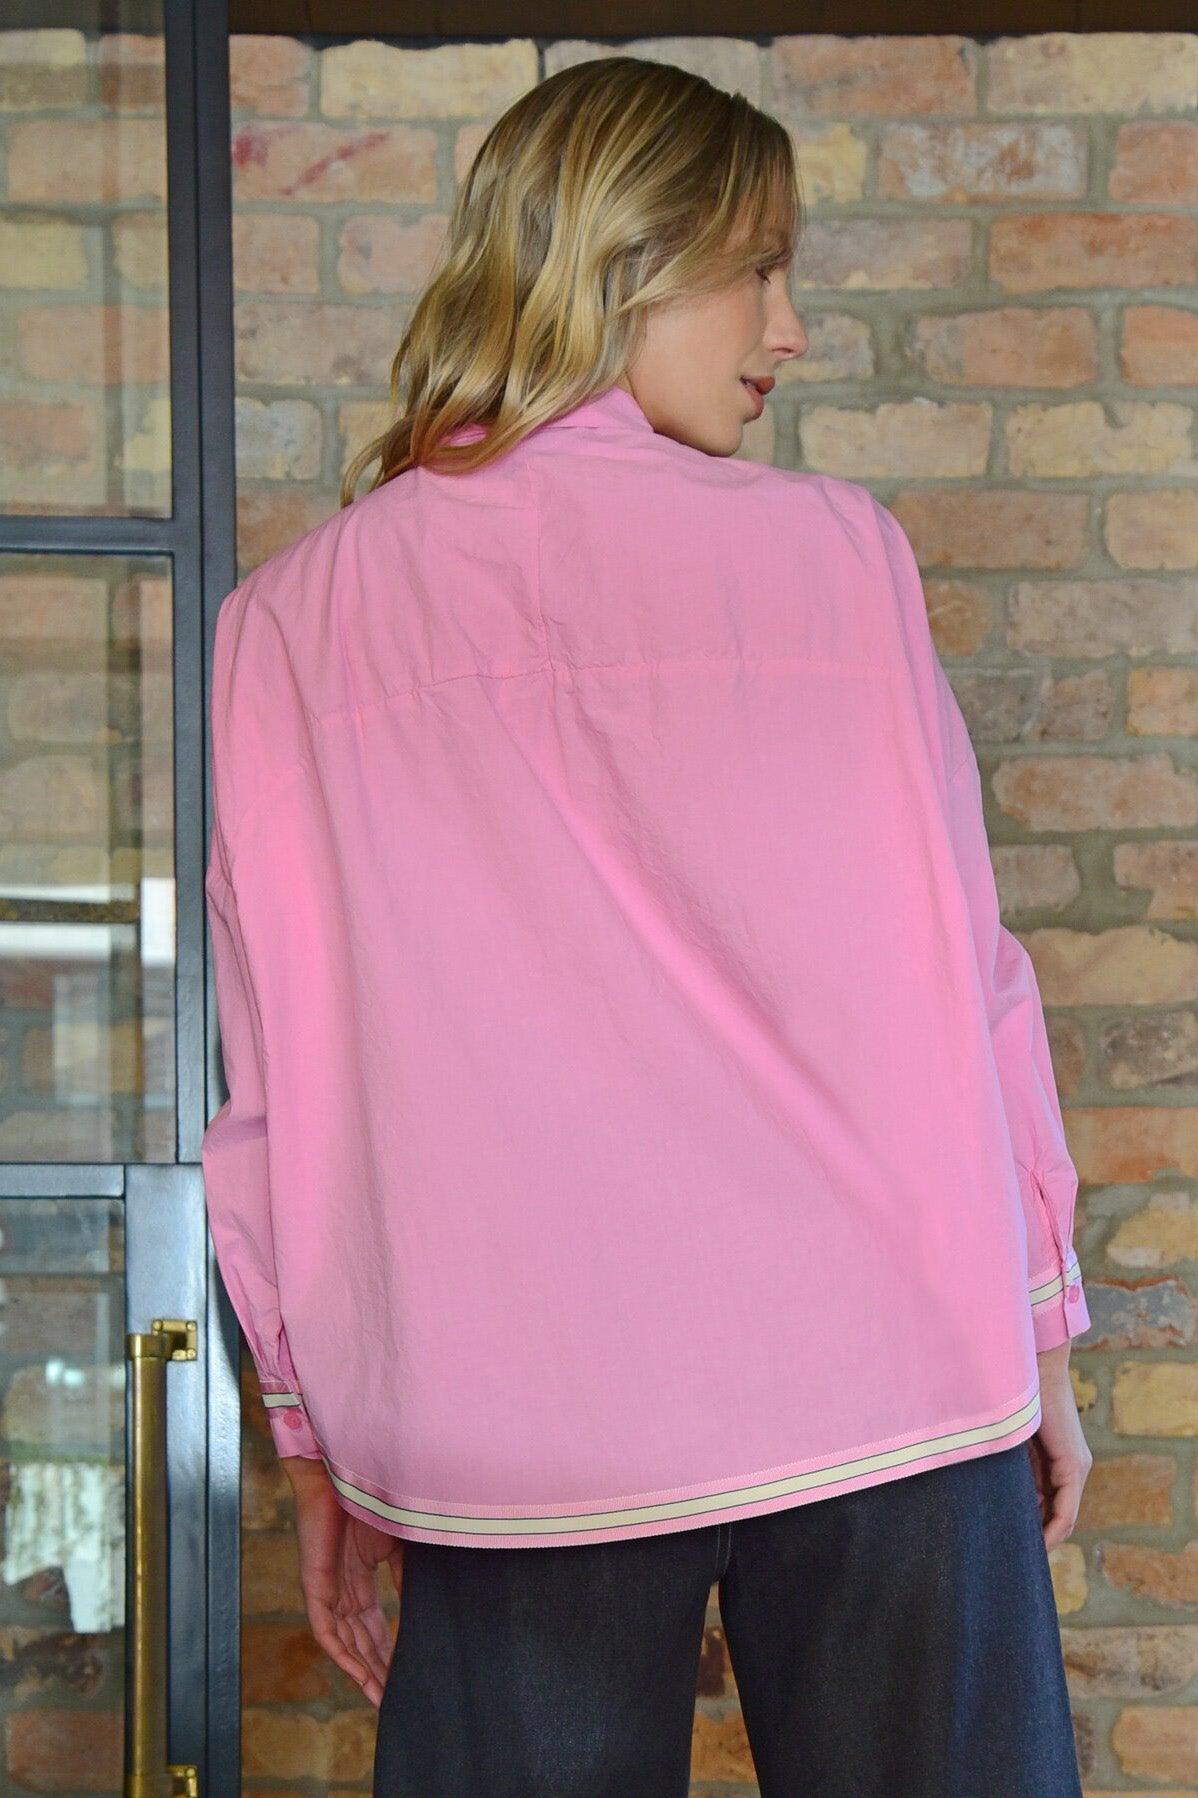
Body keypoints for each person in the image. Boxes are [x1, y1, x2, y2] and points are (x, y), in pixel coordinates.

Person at [202, 54, 1093, 1796]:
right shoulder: (840, 556)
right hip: (889, 1374)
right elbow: (972, 977)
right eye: (756, 269)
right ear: (623, 258)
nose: (789, 330)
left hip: (505, 1422)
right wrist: (1036, 1335)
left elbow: (275, 1094)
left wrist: (313, 1443)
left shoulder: (287, 630)